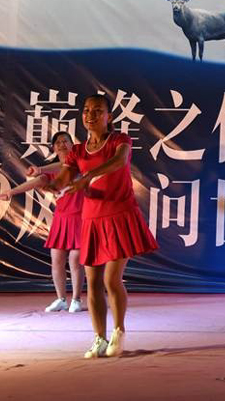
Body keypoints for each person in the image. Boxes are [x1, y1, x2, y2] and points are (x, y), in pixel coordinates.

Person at [48, 94, 158, 358]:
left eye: (97, 110)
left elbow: (118, 162)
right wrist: (48, 184)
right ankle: (99, 337)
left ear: (109, 116)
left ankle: (119, 331)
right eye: (86, 110)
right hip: (91, 220)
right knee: (93, 280)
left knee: (111, 279)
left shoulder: (120, 141)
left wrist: (87, 178)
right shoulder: (77, 151)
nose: (90, 115)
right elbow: (63, 178)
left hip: (120, 216)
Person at [1, 131, 85, 313]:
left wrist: (40, 169)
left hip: (81, 218)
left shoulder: (79, 164)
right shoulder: (50, 173)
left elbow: (65, 165)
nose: (62, 145)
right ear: (54, 148)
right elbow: (37, 181)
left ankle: (76, 299)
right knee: (57, 260)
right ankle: (61, 299)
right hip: (61, 219)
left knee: (75, 260)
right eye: (58, 143)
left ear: (72, 145)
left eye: (65, 141)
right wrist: (11, 192)